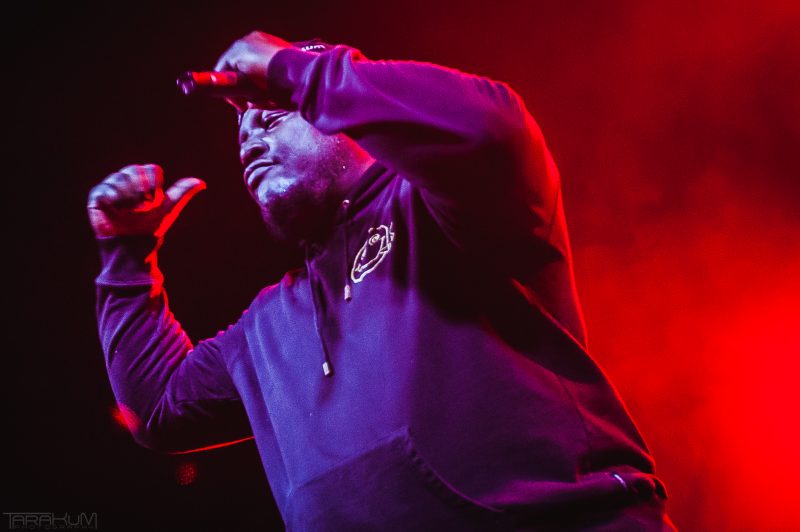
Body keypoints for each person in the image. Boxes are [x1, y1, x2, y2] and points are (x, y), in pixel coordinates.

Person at [88, 31, 675, 530]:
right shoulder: (268, 325)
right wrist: (126, 254)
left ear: (342, 118)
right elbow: (157, 409)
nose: (250, 138)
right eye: (241, 131)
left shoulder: (445, 206)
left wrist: (296, 72)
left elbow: (493, 130)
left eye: (272, 114)